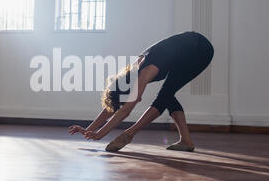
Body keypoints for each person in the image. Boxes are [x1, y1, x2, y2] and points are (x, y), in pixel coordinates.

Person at [69, 31, 214, 152]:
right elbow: (114, 107)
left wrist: (100, 134)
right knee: (168, 95)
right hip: (185, 52)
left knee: (165, 95)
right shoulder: (131, 75)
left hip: (199, 50)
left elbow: (125, 110)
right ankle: (186, 141)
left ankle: (130, 133)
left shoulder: (145, 72)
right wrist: (88, 129)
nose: (137, 99)